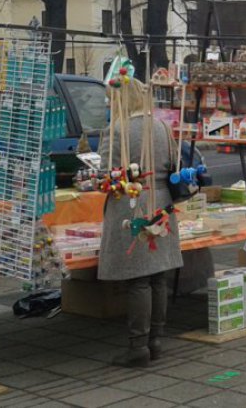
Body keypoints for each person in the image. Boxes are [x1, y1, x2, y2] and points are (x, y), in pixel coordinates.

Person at [98, 80, 182, 367]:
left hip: (133, 201)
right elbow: (173, 162)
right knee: (158, 274)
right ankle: (155, 340)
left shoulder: (117, 130)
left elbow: (105, 174)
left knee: (139, 278)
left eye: (111, 99)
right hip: (161, 199)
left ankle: (138, 345)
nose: (109, 105)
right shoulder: (160, 126)